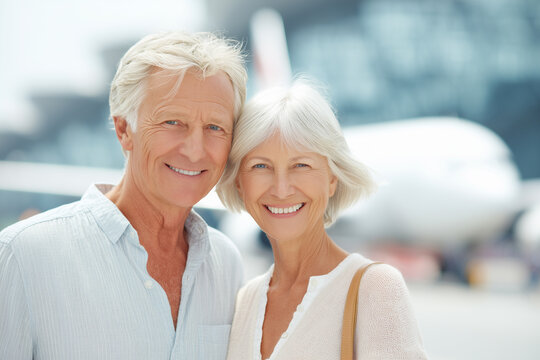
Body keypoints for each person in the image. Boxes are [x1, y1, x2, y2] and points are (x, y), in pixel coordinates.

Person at [0, 31, 247, 360]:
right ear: (123, 130)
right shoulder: (23, 255)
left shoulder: (226, 263)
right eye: (172, 122)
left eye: (215, 127)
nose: (195, 150)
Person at [217, 80, 428, 359]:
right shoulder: (245, 301)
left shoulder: (375, 288)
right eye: (260, 166)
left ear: (332, 179)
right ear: (239, 183)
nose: (281, 188)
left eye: (301, 165)